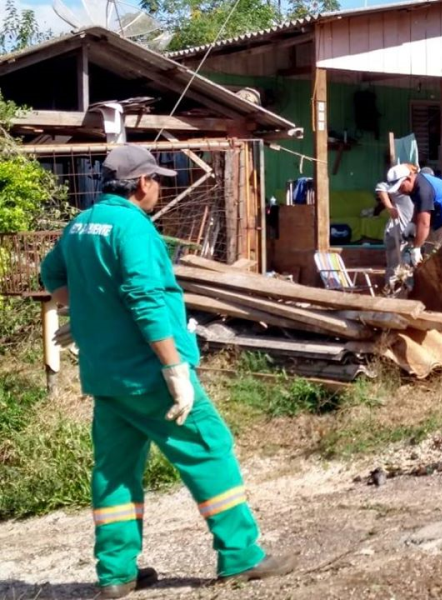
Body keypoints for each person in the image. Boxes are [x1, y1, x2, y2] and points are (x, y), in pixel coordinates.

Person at [40, 145, 296, 599]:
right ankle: (240, 555)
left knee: (115, 471)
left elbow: (52, 277)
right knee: (209, 447)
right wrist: (174, 368)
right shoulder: (133, 229)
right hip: (149, 374)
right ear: (142, 183)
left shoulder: (80, 226)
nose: (159, 186)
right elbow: (145, 299)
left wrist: (86, 314)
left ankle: (116, 573)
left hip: (107, 378)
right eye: (156, 179)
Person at [385, 163, 442, 266]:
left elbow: (424, 223)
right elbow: (419, 206)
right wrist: (412, 224)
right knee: (428, 260)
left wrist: (416, 248)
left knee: (439, 262)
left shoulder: (424, 190)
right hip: (439, 222)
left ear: (408, 178)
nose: (400, 191)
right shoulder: (416, 184)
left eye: (400, 186)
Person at [374, 165, 417, 286]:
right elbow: (380, 188)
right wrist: (390, 207)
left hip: (413, 234)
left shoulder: (419, 189)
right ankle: (390, 293)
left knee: (410, 268)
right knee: (394, 268)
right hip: (397, 232)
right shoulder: (398, 187)